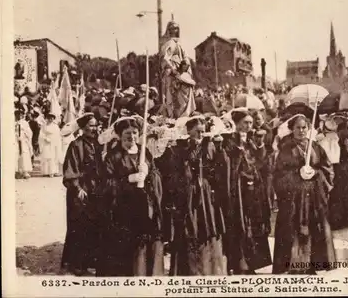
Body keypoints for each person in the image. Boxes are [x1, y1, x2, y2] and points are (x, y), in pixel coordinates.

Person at [98, 117, 164, 276]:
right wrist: (128, 179)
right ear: (120, 135)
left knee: (146, 245)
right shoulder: (113, 156)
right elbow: (105, 184)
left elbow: (156, 175)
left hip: (145, 207)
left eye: (135, 133)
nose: (132, 137)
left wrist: (149, 173)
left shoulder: (144, 152)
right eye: (127, 133)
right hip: (123, 211)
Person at [272, 114, 336, 274]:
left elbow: (328, 169)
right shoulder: (285, 149)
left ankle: (313, 265)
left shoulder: (315, 147)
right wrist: (295, 174)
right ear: (292, 129)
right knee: (293, 228)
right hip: (294, 198)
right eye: (298, 128)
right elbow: (278, 174)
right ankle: (294, 265)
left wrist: (315, 172)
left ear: (308, 129)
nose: (301, 131)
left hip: (313, 195)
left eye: (304, 127)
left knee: (315, 226)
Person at [168, 117, 229, 275]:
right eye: (197, 131)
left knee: (207, 229)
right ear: (188, 131)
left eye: (203, 131)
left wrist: (220, 146)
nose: (201, 134)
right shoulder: (179, 148)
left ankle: (208, 270)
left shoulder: (209, 145)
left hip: (205, 194)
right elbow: (178, 172)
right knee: (190, 231)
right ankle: (189, 270)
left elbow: (219, 167)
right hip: (188, 195)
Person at [223, 109, 272, 274]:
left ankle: (252, 263)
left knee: (255, 223)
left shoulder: (252, 139)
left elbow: (261, 162)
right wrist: (239, 150)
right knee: (240, 224)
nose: (249, 126)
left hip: (254, 187)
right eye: (245, 123)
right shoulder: (228, 140)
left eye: (251, 123)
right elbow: (231, 164)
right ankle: (239, 264)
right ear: (237, 124)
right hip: (239, 188)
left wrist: (260, 146)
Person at [61, 113, 102, 276]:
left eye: (96, 125)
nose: (94, 128)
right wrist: (78, 188)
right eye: (91, 125)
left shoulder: (99, 144)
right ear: (83, 127)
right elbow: (71, 169)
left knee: (94, 225)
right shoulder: (76, 145)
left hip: (96, 189)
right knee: (79, 226)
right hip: (80, 190)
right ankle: (75, 263)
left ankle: (90, 260)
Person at [39, 113, 63, 177]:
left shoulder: (55, 126)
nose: (50, 119)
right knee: (46, 156)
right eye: (49, 118)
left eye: (52, 118)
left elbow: (58, 135)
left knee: (53, 157)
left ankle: (52, 172)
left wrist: (56, 142)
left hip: (53, 143)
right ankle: (46, 172)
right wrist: (45, 138)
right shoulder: (44, 126)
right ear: (47, 118)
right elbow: (41, 134)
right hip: (46, 142)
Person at [15, 109, 34, 179]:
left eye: (20, 115)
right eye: (17, 115)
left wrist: (25, 136)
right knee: (16, 155)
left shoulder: (25, 123)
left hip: (23, 141)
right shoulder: (13, 123)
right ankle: (17, 171)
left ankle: (25, 171)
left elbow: (29, 132)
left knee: (24, 155)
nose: (19, 116)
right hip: (16, 141)